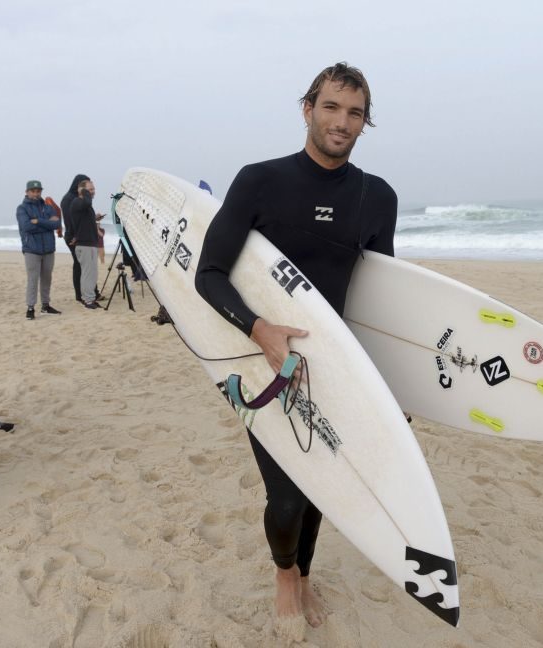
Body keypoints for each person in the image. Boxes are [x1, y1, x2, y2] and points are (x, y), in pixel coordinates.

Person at [196, 62, 397, 632]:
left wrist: (387, 384)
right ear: (307, 109)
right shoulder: (260, 181)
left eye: (354, 112)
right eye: (331, 107)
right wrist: (258, 329)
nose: (342, 121)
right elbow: (209, 274)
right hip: (264, 364)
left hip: (334, 364)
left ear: (365, 123)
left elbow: (377, 298)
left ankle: (305, 574)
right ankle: (286, 574)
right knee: (286, 497)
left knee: (320, 490)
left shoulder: (377, 197)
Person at [16, 180, 63, 319]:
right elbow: (26, 227)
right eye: (33, 191)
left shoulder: (47, 207)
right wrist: (47, 223)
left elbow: (57, 223)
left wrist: (39, 221)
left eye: (38, 191)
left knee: (47, 278)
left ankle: (46, 305)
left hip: (48, 249)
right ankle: (30, 308)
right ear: (27, 192)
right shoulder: (22, 208)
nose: (36, 193)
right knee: (33, 279)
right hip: (31, 249)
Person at [69, 179, 104, 309]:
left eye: (93, 189)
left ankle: (90, 298)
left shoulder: (84, 205)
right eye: (90, 189)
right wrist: (84, 192)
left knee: (92, 273)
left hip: (90, 243)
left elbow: (84, 220)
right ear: (81, 191)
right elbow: (87, 201)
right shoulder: (78, 202)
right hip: (84, 245)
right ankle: (88, 300)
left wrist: (95, 218)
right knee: (88, 273)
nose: (92, 192)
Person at [61, 173, 91, 302]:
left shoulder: (80, 197)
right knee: (79, 265)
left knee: (86, 265)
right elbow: (70, 221)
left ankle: (90, 291)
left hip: (81, 235)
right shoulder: (68, 199)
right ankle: (79, 295)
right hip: (73, 237)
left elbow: (81, 217)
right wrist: (75, 236)